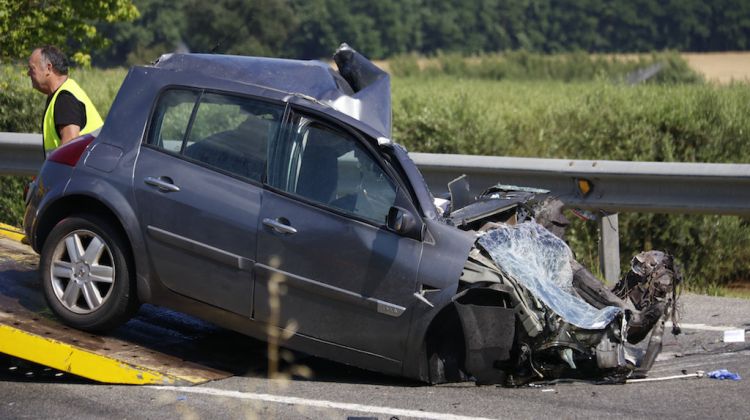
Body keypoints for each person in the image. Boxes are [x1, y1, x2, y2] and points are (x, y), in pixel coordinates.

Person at [27, 46, 103, 154]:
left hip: (78, 170)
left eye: (32, 69)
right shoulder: (64, 93)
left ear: (48, 68)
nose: (28, 73)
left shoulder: (65, 99)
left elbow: (69, 148)